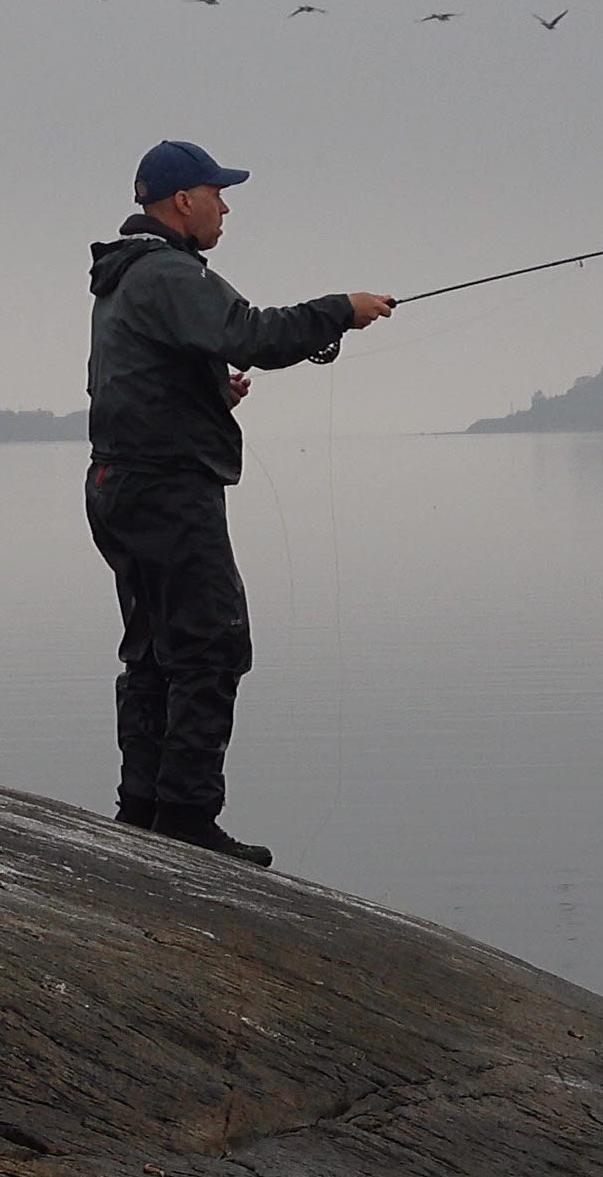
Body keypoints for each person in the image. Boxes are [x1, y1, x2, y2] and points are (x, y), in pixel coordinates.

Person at [86, 140, 392, 865]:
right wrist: (339, 311)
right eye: (217, 193)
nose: (226, 207)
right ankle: (187, 819)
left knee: (155, 653)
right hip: (165, 491)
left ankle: (144, 810)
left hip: (122, 487)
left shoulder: (124, 276)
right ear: (182, 201)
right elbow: (250, 333)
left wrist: (206, 391)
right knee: (210, 645)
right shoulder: (166, 271)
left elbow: (130, 379)